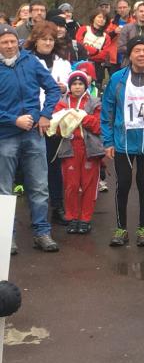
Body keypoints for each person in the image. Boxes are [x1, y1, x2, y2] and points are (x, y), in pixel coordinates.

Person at [101, 36, 144, 248]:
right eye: (137, 51)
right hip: (123, 142)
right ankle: (121, 228)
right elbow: (107, 110)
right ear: (130, 55)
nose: (142, 54)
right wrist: (108, 141)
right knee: (123, 184)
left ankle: (143, 228)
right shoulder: (117, 79)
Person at [0, 23, 61, 254]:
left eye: (12, 41)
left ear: (18, 42)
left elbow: (53, 89)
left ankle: (42, 233)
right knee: (4, 189)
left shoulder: (31, 61)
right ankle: (7, 237)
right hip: (5, 136)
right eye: (4, 42)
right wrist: (13, 119)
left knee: (39, 186)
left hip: (34, 134)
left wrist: (44, 115)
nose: (9, 46)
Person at [26, 22, 72, 225]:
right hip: (33, 119)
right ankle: (37, 211)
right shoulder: (27, 61)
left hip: (57, 119)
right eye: (43, 39)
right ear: (35, 40)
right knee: (34, 168)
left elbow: (74, 87)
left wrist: (65, 88)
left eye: (51, 39)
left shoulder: (63, 62)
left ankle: (57, 206)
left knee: (54, 165)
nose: (47, 43)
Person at [52, 70, 103, 234]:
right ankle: (72, 217)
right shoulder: (62, 103)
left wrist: (80, 117)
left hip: (90, 149)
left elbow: (99, 126)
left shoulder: (94, 102)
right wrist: (66, 123)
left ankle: (85, 219)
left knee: (89, 185)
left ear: (86, 86)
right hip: (69, 148)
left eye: (81, 84)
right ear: (69, 86)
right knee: (71, 185)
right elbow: (56, 127)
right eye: (74, 84)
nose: (77, 87)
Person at [76, 9, 114, 89]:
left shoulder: (106, 37)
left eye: (104, 18)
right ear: (94, 18)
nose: (101, 19)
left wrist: (87, 50)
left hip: (97, 68)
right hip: (81, 63)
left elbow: (104, 55)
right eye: (99, 17)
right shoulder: (84, 29)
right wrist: (96, 51)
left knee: (95, 91)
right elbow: (79, 45)